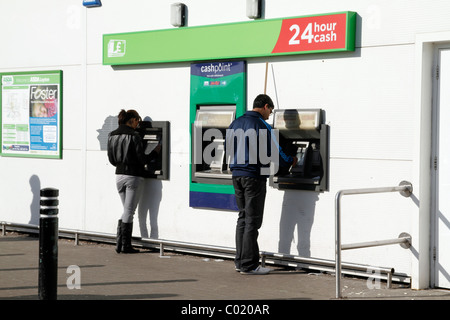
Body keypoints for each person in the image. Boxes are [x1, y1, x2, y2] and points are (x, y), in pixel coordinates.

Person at [225, 94, 297, 275]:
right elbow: (278, 151)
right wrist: (291, 161)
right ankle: (250, 265)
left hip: (237, 174)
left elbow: (227, 148)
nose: (269, 115)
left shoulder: (235, 123)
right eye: (270, 111)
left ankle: (240, 262)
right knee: (252, 221)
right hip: (253, 176)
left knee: (242, 218)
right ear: (265, 106)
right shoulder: (261, 125)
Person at [107, 109, 145, 254]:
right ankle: (126, 246)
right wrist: (155, 152)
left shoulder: (112, 135)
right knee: (129, 211)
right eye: (138, 121)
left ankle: (119, 244)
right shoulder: (134, 136)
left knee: (126, 210)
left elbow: (111, 159)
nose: (138, 124)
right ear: (133, 120)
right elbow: (141, 159)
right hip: (132, 176)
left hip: (119, 176)